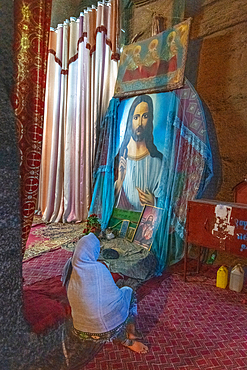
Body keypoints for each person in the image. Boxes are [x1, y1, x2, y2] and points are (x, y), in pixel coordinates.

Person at [66, 233, 148, 354]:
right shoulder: (98, 268)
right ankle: (129, 335)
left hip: (81, 331)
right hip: (107, 330)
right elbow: (113, 295)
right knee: (129, 291)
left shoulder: (70, 269)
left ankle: (106, 331)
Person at [115, 95, 163, 212]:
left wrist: (154, 202)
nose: (140, 123)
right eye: (136, 117)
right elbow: (105, 199)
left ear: (150, 119)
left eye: (145, 116)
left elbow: (165, 197)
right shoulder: (120, 158)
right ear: (130, 120)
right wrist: (120, 181)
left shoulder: (158, 161)